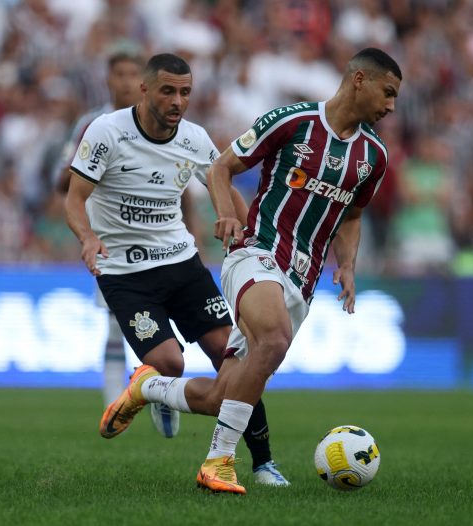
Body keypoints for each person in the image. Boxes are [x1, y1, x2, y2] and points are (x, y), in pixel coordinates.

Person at [99, 47, 401, 495]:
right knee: (274, 337)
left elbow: (352, 215)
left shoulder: (373, 156)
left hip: (302, 280)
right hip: (255, 253)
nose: (391, 105)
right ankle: (219, 462)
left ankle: (149, 389)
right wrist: (227, 215)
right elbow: (222, 166)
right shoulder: (292, 122)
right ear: (360, 80)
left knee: (222, 395)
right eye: (388, 92)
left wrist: (349, 265)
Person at [65, 53, 289, 486]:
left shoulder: (194, 138)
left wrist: (251, 238)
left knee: (237, 358)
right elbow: (74, 199)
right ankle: (153, 390)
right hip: (125, 275)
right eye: (168, 90)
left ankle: (263, 462)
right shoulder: (107, 132)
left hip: (181, 264)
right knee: (169, 362)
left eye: (185, 92)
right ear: (145, 90)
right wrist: (88, 238)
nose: (178, 101)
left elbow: (221, 181)